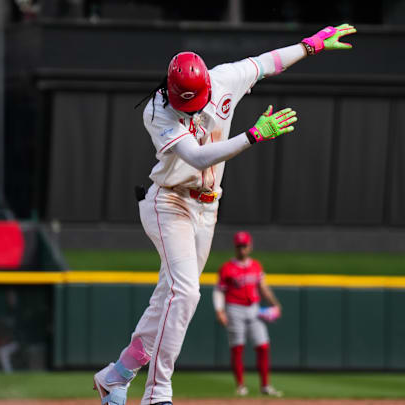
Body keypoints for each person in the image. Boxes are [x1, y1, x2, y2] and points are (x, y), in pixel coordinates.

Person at [92, 24, 356, 405]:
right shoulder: (157, 109)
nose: (190, 108)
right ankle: (157, 393)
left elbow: (269, 63)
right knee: (186, 293)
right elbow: (197, 157)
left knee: (170, 297)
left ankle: (117, 375)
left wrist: (309, 46)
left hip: (207, 206)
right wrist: (253, 135)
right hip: (169, 202)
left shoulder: (225, 78)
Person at [214, 231, 282, 397]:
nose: (242, 249)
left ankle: (265, 386)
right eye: (239, 246)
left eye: (244, 246)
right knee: (237, 347)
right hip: (234, 308)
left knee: (263, 345)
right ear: (235, 247)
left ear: (250, 246)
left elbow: (263, 288)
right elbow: (219, 291)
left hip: (254, 309)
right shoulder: (227, 268)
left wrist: (275, 304)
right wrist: (219, 310)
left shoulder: (256, 266)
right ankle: (241, 386)